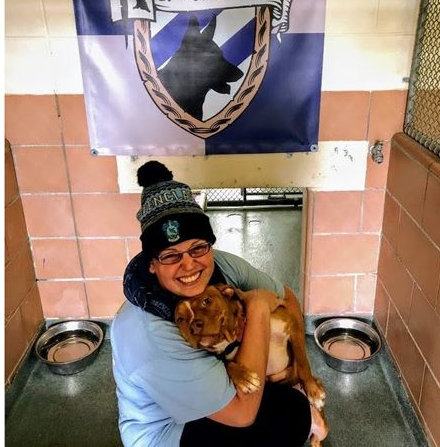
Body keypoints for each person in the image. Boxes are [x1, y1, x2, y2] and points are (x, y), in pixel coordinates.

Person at [111, 161, 326, 447]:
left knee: (291, 401)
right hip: (168, 431)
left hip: (209, 387)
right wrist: (258, 308)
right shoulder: (150, 332)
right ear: (151, 264)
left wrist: (301, 371)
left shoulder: (220, 265)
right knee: (290, 417)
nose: (189, 265)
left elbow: (287, 297)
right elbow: (241, 414)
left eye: (197, 247)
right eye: (171, 255)